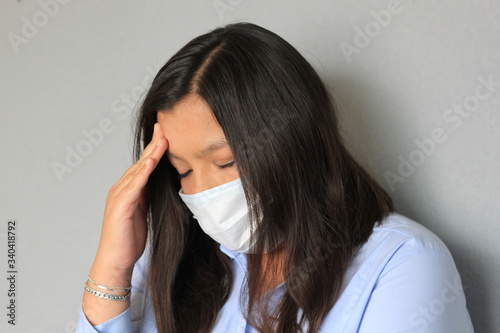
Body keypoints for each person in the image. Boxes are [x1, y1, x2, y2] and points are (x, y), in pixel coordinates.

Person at [76, 22, 474, 333]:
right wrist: (111, 270)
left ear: (292, 140)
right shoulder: (173, 270)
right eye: (183, 171)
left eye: (227, 162)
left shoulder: (404, 264)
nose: (204, 192)